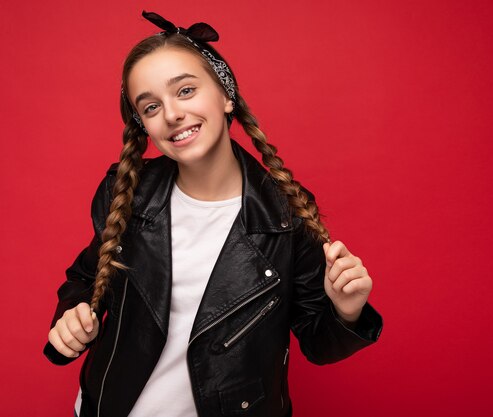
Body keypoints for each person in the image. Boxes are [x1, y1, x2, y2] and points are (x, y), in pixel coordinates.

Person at [44, 10, 383, 417]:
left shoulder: (285, 214)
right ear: (143, 125)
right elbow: (85, 276)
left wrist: (348, 310)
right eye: (150, 107)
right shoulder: (129, 193)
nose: (171, 114)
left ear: (226, 96)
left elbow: (319, 343)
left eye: (185, 91)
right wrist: (73, 315)